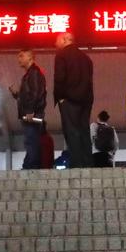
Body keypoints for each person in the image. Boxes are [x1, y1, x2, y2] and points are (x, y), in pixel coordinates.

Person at [53, 32, 94, 169]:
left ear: (65, 40)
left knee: (72, 132)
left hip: (69, 100)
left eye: (57, 40)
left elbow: (59, 78)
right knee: (84, 131)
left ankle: (77, 163)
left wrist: (60, 97)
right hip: (86, 100)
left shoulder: (61, 56)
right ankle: (88, 162)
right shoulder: (86, 58)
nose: (55, 44)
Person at [8, 49, 47, 170]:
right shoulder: (30, 74)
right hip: (30, 113)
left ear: (30, 57)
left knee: (31, 140)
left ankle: (31, 167)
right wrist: (16, 94)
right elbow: (30, 94)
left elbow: (36, 93)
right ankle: (30, 166)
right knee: (31, 140)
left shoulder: (33, 73)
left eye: (21, 56)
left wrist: (30, 110)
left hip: (31, 114)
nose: (19, 59)